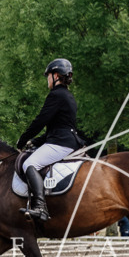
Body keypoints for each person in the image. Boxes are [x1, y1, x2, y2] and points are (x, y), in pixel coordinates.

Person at [16, 58, 82, 222]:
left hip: (61, 143)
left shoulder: (56, 95)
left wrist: (22, 140)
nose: (47, 79)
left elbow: (40, 121)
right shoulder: (68, 96)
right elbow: (56, 127)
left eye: (48, 76)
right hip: (66, 140)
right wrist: (36, 142)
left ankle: (40, 207)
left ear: (57, 76)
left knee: (29, 164)